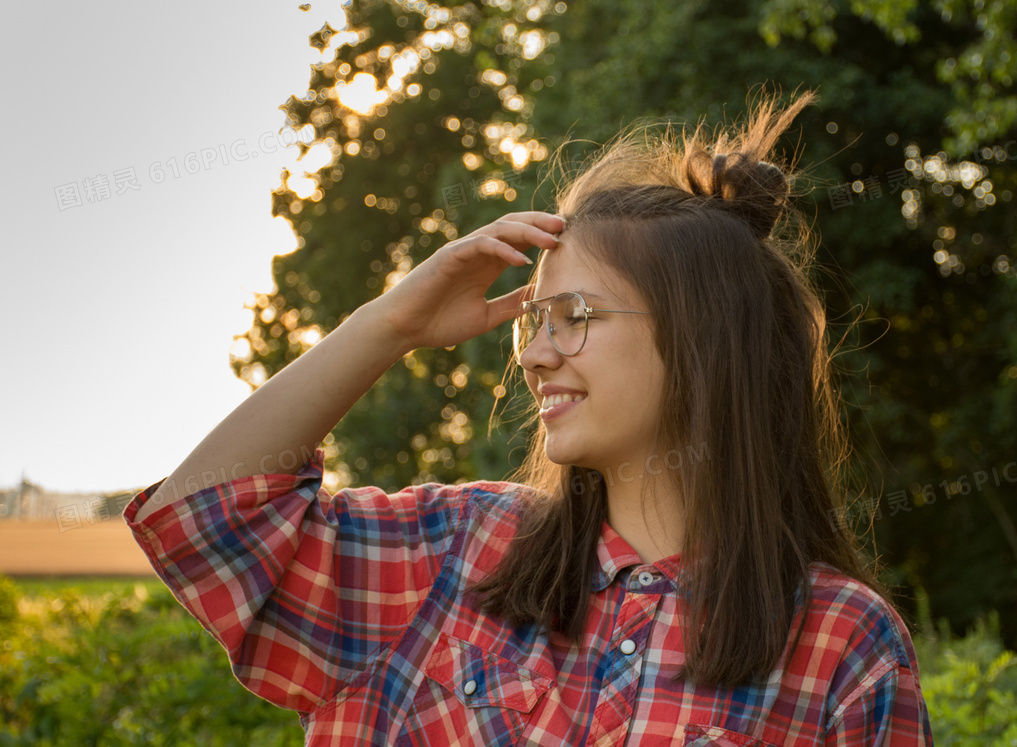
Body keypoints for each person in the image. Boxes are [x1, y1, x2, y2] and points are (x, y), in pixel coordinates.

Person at [126, 93, 933, 745]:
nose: (537, 354)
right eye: (533, 321)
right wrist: (392, 323)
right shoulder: (455, 549)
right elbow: (207, 523)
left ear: (702, 340)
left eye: (573, 314)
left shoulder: (841, 644)